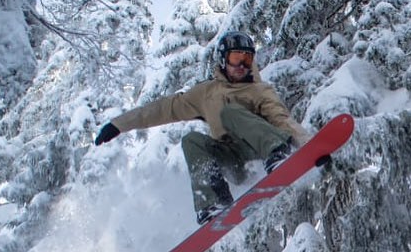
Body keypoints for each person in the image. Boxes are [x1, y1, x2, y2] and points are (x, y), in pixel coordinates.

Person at [95, 31, 309, 224]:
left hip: (260, 151)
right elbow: (164, 109)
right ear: (224, 60)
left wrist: (309, 148)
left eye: (247, 59)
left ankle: (278, 155)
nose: (242, 65)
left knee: (230, 113)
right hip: (235, 162)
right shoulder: (206, 93)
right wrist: (119, 124)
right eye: (236, 58)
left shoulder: (259, 90)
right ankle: (215, 201)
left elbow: (282, 120)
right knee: (192, 140)